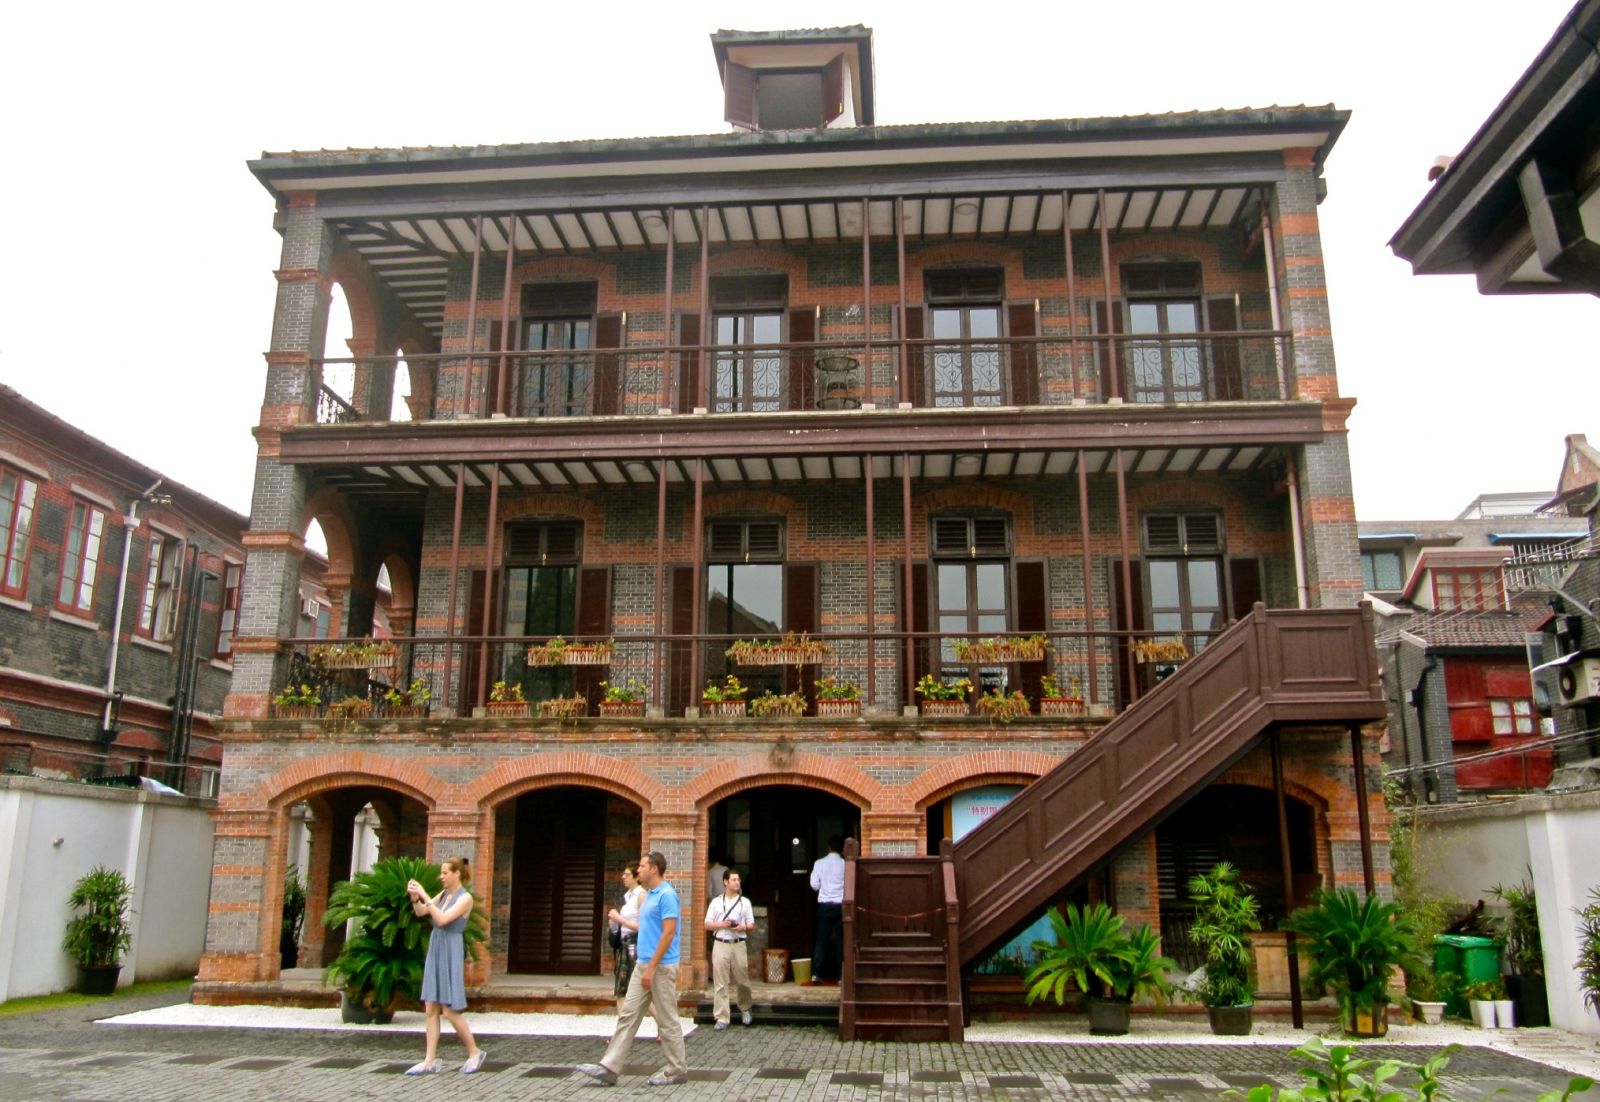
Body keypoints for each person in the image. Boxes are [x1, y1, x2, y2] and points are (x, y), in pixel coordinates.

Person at [578, 851, 687, 1087]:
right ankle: (609, 1067)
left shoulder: (667, 895)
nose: (639, 870)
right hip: (643, 963)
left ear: (654, 869)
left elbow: (669, 933)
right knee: (628, 1014)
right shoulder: (648, 895)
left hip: (660, 966)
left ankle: (677, 1069)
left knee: (667, 1018)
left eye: (643, 866)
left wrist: (652, 968)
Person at [404, 857, 486, 1075]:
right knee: (431, 1007)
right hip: (436, 946)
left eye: (445, 872)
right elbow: (422, 912)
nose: (441, 876)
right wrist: (415, 898)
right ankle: (429, 1060)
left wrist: (424, 895)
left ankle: (474, 1052)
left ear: (457, 873)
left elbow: (442, 919)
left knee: (449, 1011)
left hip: (451, 948)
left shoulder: (465, 898)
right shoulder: (443, 895)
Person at [702, 867, 755, 1030]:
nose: (737, 883)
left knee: (743, 980)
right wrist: (722, 924)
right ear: (725, 882)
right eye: (733, 880)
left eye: (738, 880)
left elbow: (751, 924)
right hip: (721, 943)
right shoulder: (716, 902)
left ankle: (745, 1008)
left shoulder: (745, 902)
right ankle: (722, 1016)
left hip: (738, 943)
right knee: (720, 982)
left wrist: (742, 927)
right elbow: (707, 924)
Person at [607, 862, 648, 1014]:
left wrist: (620, 919)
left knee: (631, 989)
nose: (623, 877)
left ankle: (663, 1023)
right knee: (622, 989)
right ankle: (622, 1027)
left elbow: (644, 926)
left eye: (627, 874)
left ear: (636, 877)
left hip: (634, 944)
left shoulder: (641, 896)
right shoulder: (628, 896)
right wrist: (615, 924)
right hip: (624, 943)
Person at [808, 834, 846, 985]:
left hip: (824, 905)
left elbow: (814, 885)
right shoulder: (845, 864)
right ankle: (841, 976)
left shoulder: (819, 863)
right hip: (841, 905)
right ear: (842, 849)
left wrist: (824, 885)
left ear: (829, 847)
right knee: (840, 941)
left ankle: (816, 974)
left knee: (821, 940)